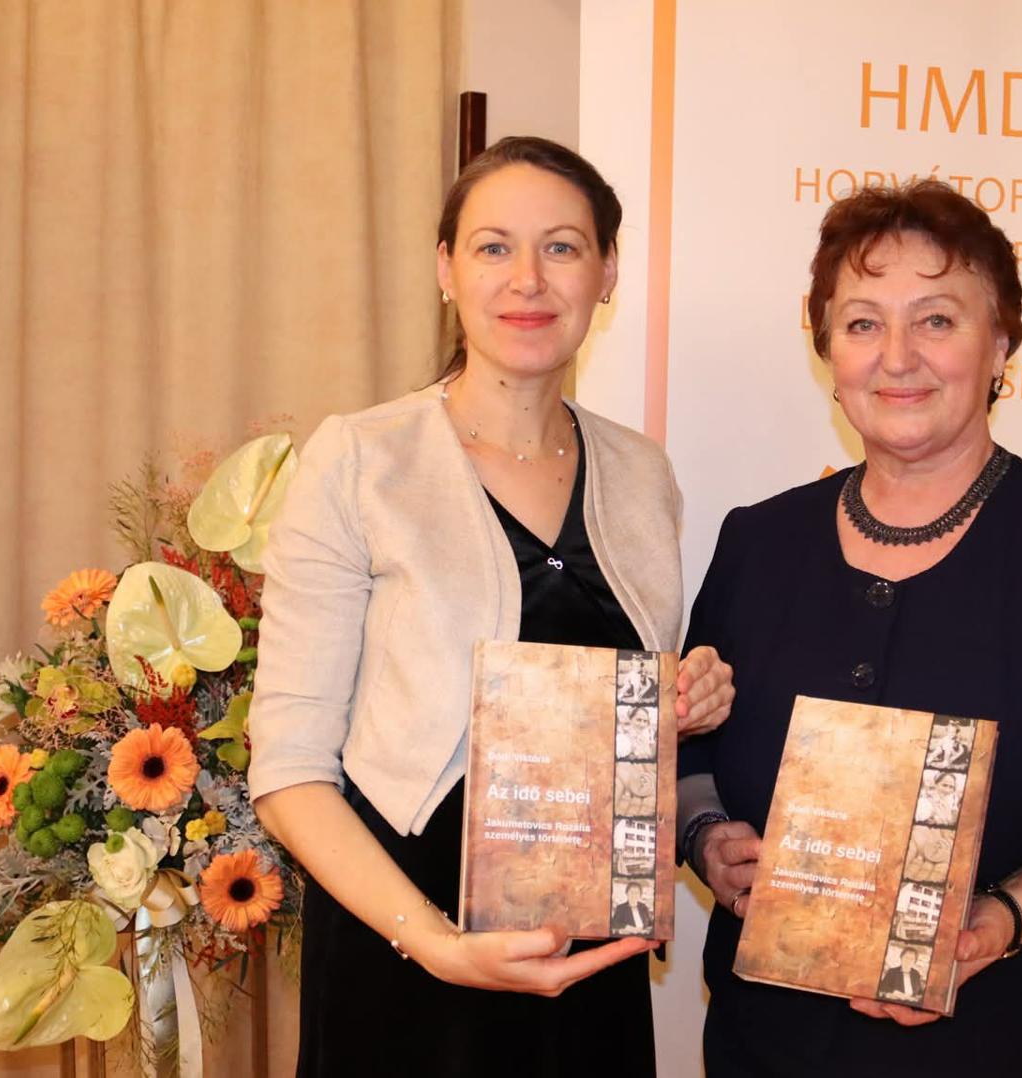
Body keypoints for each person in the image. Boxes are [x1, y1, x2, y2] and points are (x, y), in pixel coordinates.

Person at [677, 181, 1022, 1076]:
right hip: (770, 1041)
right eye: (862, 323)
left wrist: (1000, 920)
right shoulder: (758, 543)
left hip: (1012, 1035)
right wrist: (706, 838)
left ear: (1000, 341)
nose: (898, 358)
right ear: (826, 349)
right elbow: (688, 745)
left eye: (936, 319)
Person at [248, 136, 736, 1078]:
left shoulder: (644, 475)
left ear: (607, 274)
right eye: (493, 247)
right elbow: (290, 769)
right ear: (446, 269)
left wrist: (681, 704)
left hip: (587, 958)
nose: (528, 280)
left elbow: (612, 731)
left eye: (562, 247)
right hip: (404, 952)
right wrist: (435, 944)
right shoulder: (360, 460)